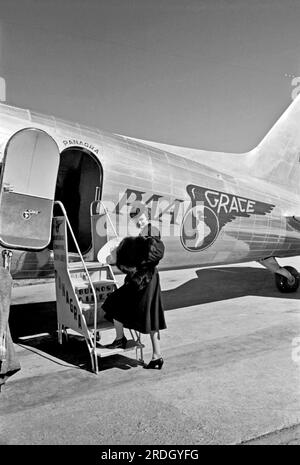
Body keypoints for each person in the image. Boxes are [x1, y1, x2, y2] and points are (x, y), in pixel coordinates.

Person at [102, 206, 166, 369]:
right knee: (145, 314)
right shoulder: (142, 231)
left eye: (141, 216)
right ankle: (155, 355)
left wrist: (134, 257)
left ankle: (122, 340)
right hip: (141, 279)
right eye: (135, 218)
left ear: (147, 215)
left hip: (146, 279)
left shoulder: (151, 229)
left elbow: (156, 253)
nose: (139, 220)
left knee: (116, 303)